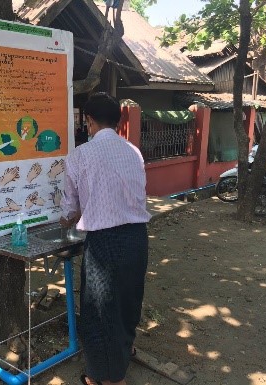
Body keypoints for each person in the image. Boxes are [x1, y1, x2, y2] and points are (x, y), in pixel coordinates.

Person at [60, 92, 151, 385]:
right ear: (118, 121)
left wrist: (68, 219)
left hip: (105, 243)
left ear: (89, 121)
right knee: (127, 301)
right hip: (137, 238)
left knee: (100, 312)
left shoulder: (80, 155)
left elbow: (69, 208)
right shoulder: (133, 152)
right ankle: (124, 351)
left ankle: (109, 378)